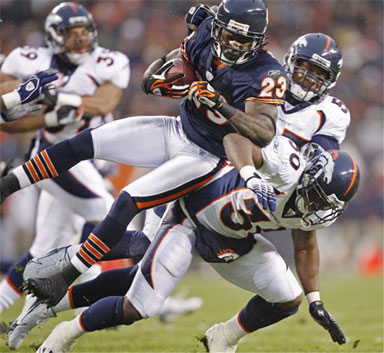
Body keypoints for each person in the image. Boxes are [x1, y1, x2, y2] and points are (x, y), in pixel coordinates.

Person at [0, 0, 286, 307]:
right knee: (83, 142)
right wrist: (163, 78)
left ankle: (64, 276)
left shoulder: (267, 72)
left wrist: (221, 105)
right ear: (217, 27)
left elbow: (264, 131)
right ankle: (6, 186)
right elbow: (162, 72)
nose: (232, 44)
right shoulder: (204, 31)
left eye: (242, 40)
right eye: (228, 35)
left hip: (204, 157)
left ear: (259, 40)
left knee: (126, 201)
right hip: (177, 128)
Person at [19, 134, 359, 353]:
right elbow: (235, 140)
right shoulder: (286, 165)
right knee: (139, 304)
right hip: (189, 218)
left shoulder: (309, 211)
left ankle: (223, 337)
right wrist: (252, 175)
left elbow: (305, 245)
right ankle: (66, 332)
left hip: (232, 240)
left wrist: (315, 300)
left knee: (288, 298)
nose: (316, 210)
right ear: (309, 177)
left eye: (325, 205)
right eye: (316, 199)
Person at [0, 1, 129, 314]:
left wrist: (53, 98)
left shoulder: (110, 61)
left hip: (87, 160)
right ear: (55, 35)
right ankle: (91, 296)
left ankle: (19, 311)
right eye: (73, 33)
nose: (81, 39)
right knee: (106, 214)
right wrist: (43, 111)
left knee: (43, 247)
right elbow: (5, 115)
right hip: (55, 156)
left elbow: (102, 102)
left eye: (85, 31)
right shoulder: (29, 59)